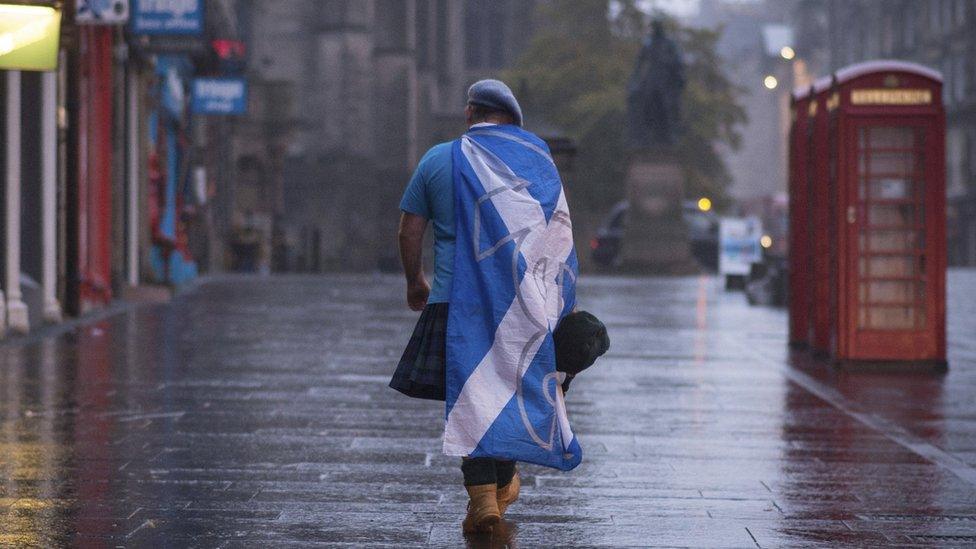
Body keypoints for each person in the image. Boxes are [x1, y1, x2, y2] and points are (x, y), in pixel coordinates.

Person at [392, 79, 580, 534]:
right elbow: (557, 237)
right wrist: (561, 302)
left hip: (453, 302)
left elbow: (408, 231)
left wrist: (415, 280)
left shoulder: (440, 158)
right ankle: (496, 491)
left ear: (470, 112)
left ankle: (485, 501)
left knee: (473, 397)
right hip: (521, 303)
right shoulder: (536, 162)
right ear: (513, 121)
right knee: (511, 389)